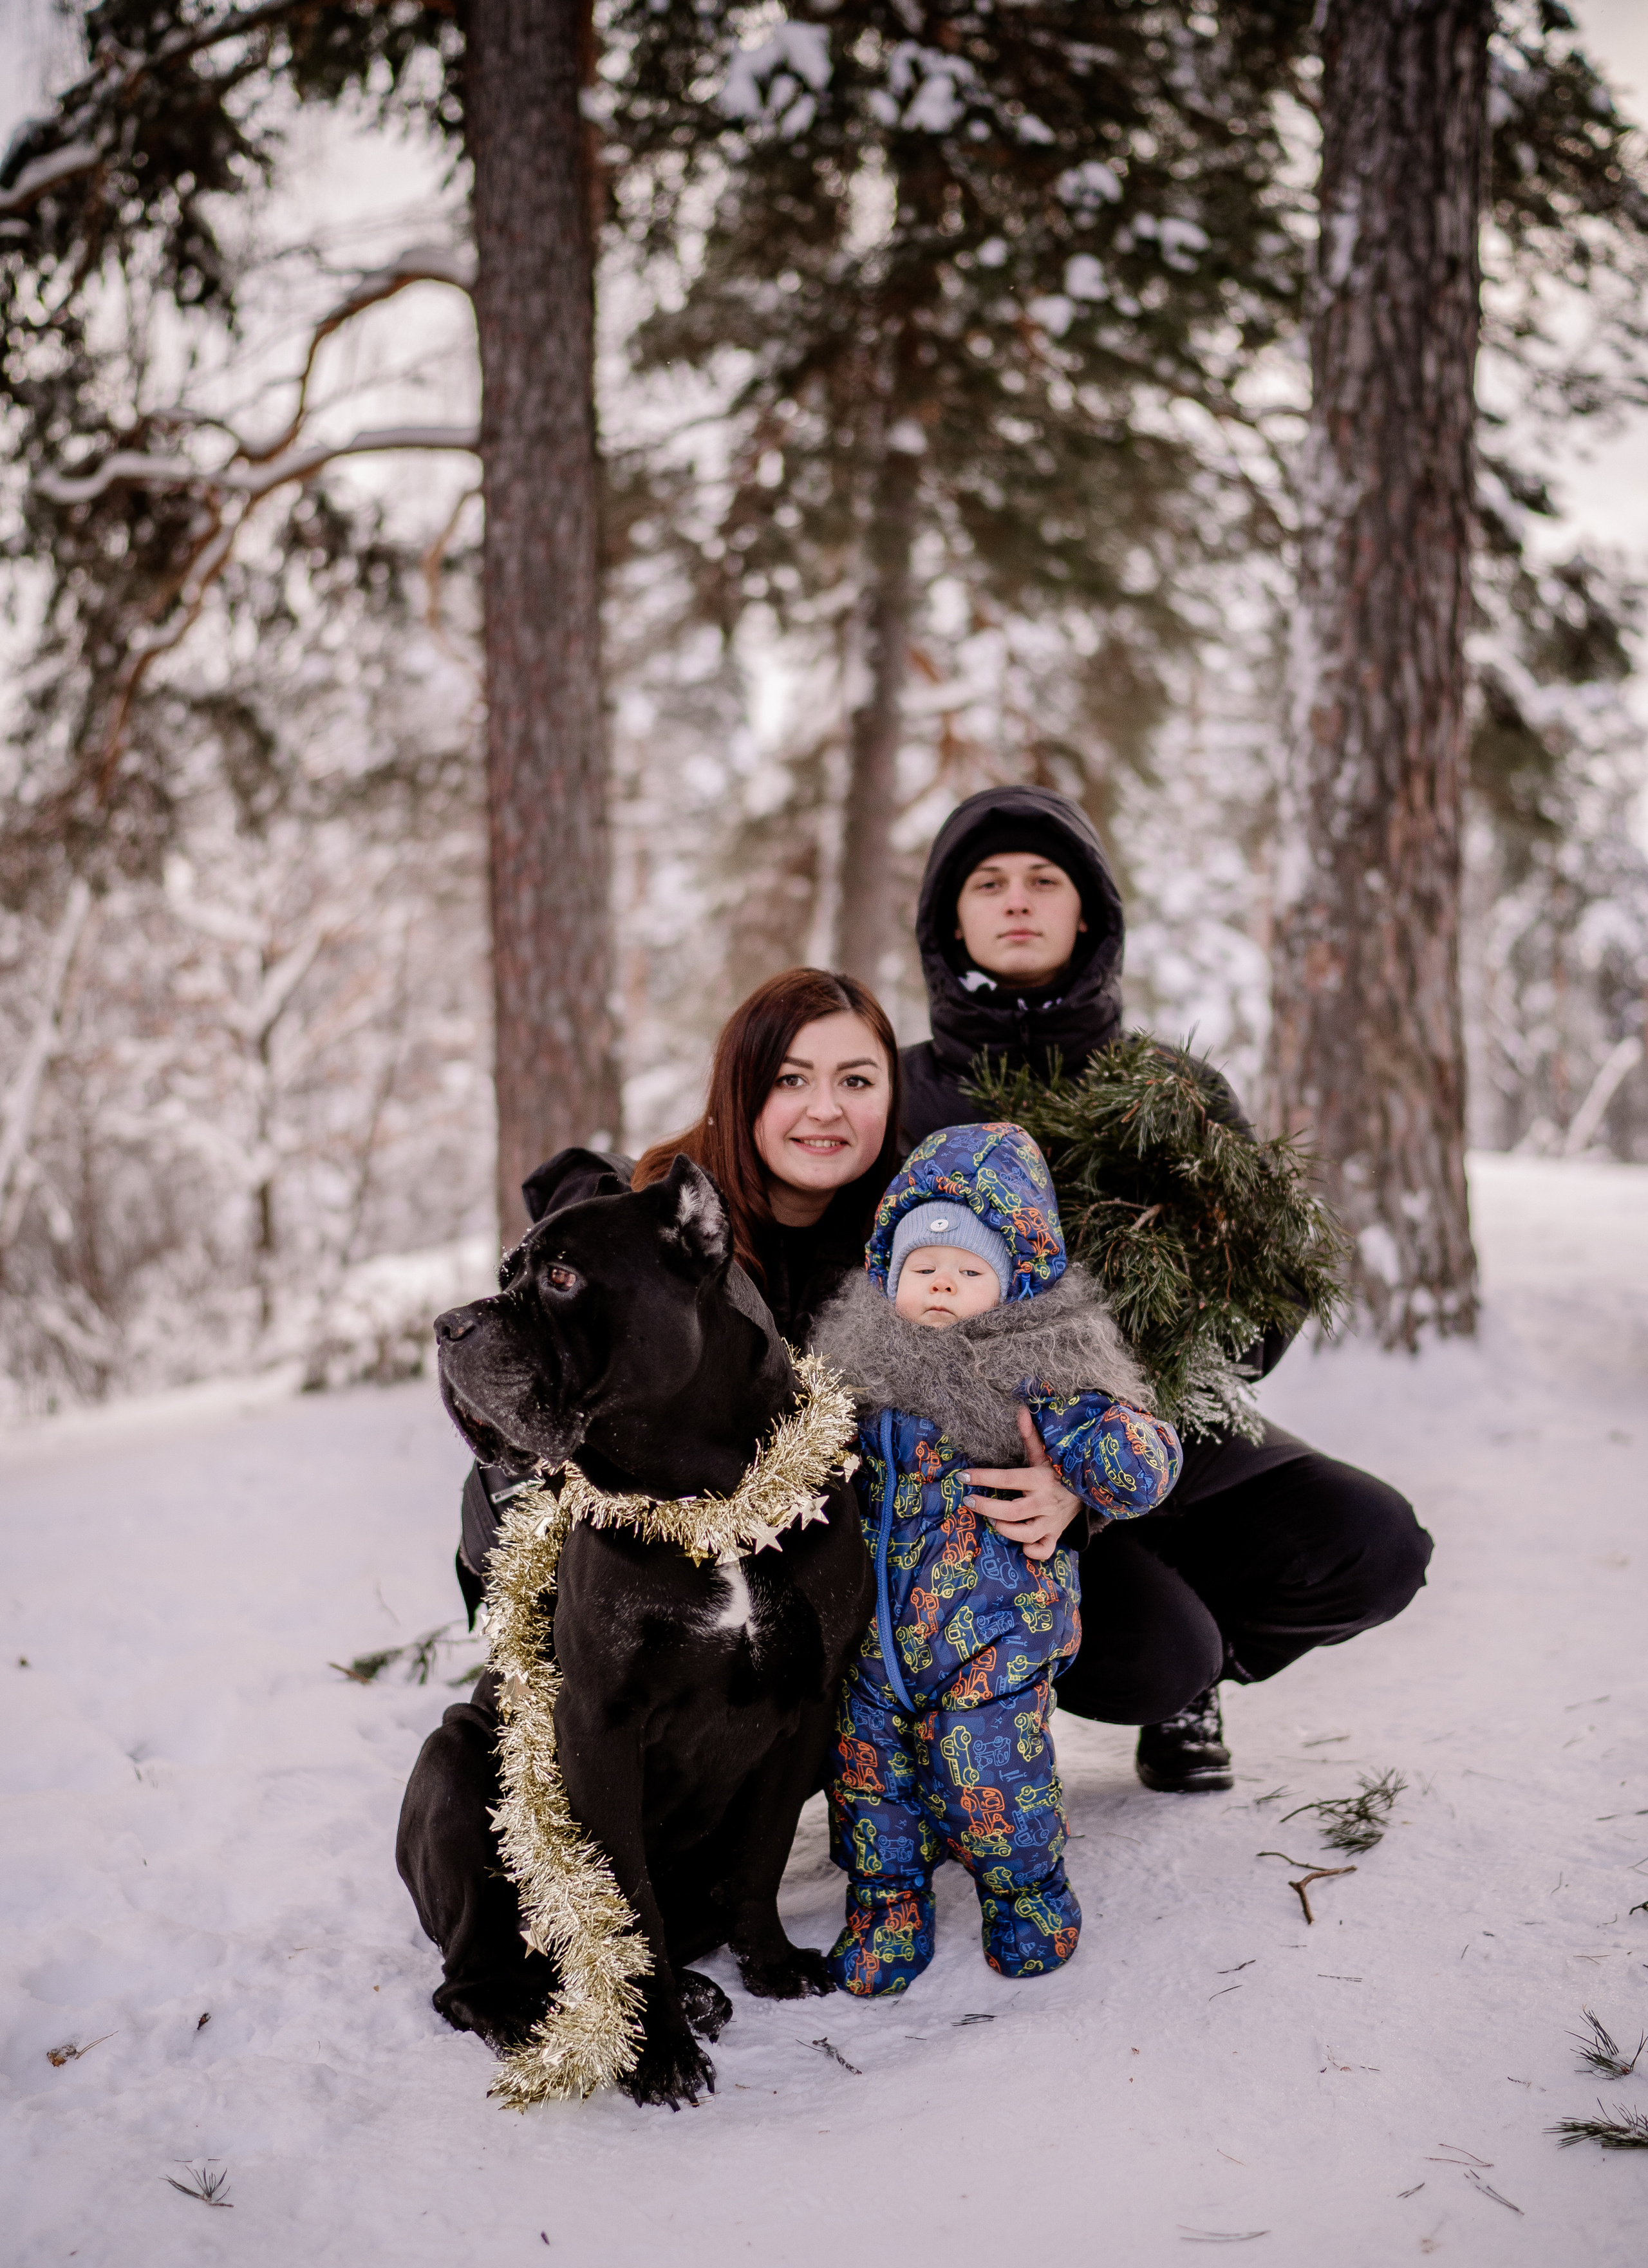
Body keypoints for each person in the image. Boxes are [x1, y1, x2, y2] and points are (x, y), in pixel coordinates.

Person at [399, 968, 905, 2045]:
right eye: (789, 1079)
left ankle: (730, 1922)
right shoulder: (653, 1216)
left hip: (709, 1801)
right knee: (463, 1755)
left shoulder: (920, 1230)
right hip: (544, 1825)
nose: (824, 1106)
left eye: (855, 1079)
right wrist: (514, 1457)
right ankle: (505, 1982)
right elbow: (509, 1586)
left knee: (797, 1702)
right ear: (741, 1097)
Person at [895, 785, 1434, 1793]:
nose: (1018, 900)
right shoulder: (901, 1089)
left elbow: (1262, 1301)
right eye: (989, 883)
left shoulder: (1171, 1088)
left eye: (1045, 881)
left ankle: (1203, 1660)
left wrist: (1125, 1426)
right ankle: (995, 1691)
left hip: (1174, 1437)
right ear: (948, 920)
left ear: (1089, 912)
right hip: (981, 1472)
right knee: (1155, 1657)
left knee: (1376, 1543)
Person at [809, 1122, 1183, 1996]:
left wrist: (1110, 1455)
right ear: (886, 1278)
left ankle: (1027, 1894)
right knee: (869, 1788)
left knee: (999, 1784)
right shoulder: (851, 1382)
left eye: (970, 1270)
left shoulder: (1039, 1378)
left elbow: (1140, 1462)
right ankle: (886, 1908)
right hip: (870, 1646)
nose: (942, 1280)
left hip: (995, 1640)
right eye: (922, 1267)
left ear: (1014, 1286)